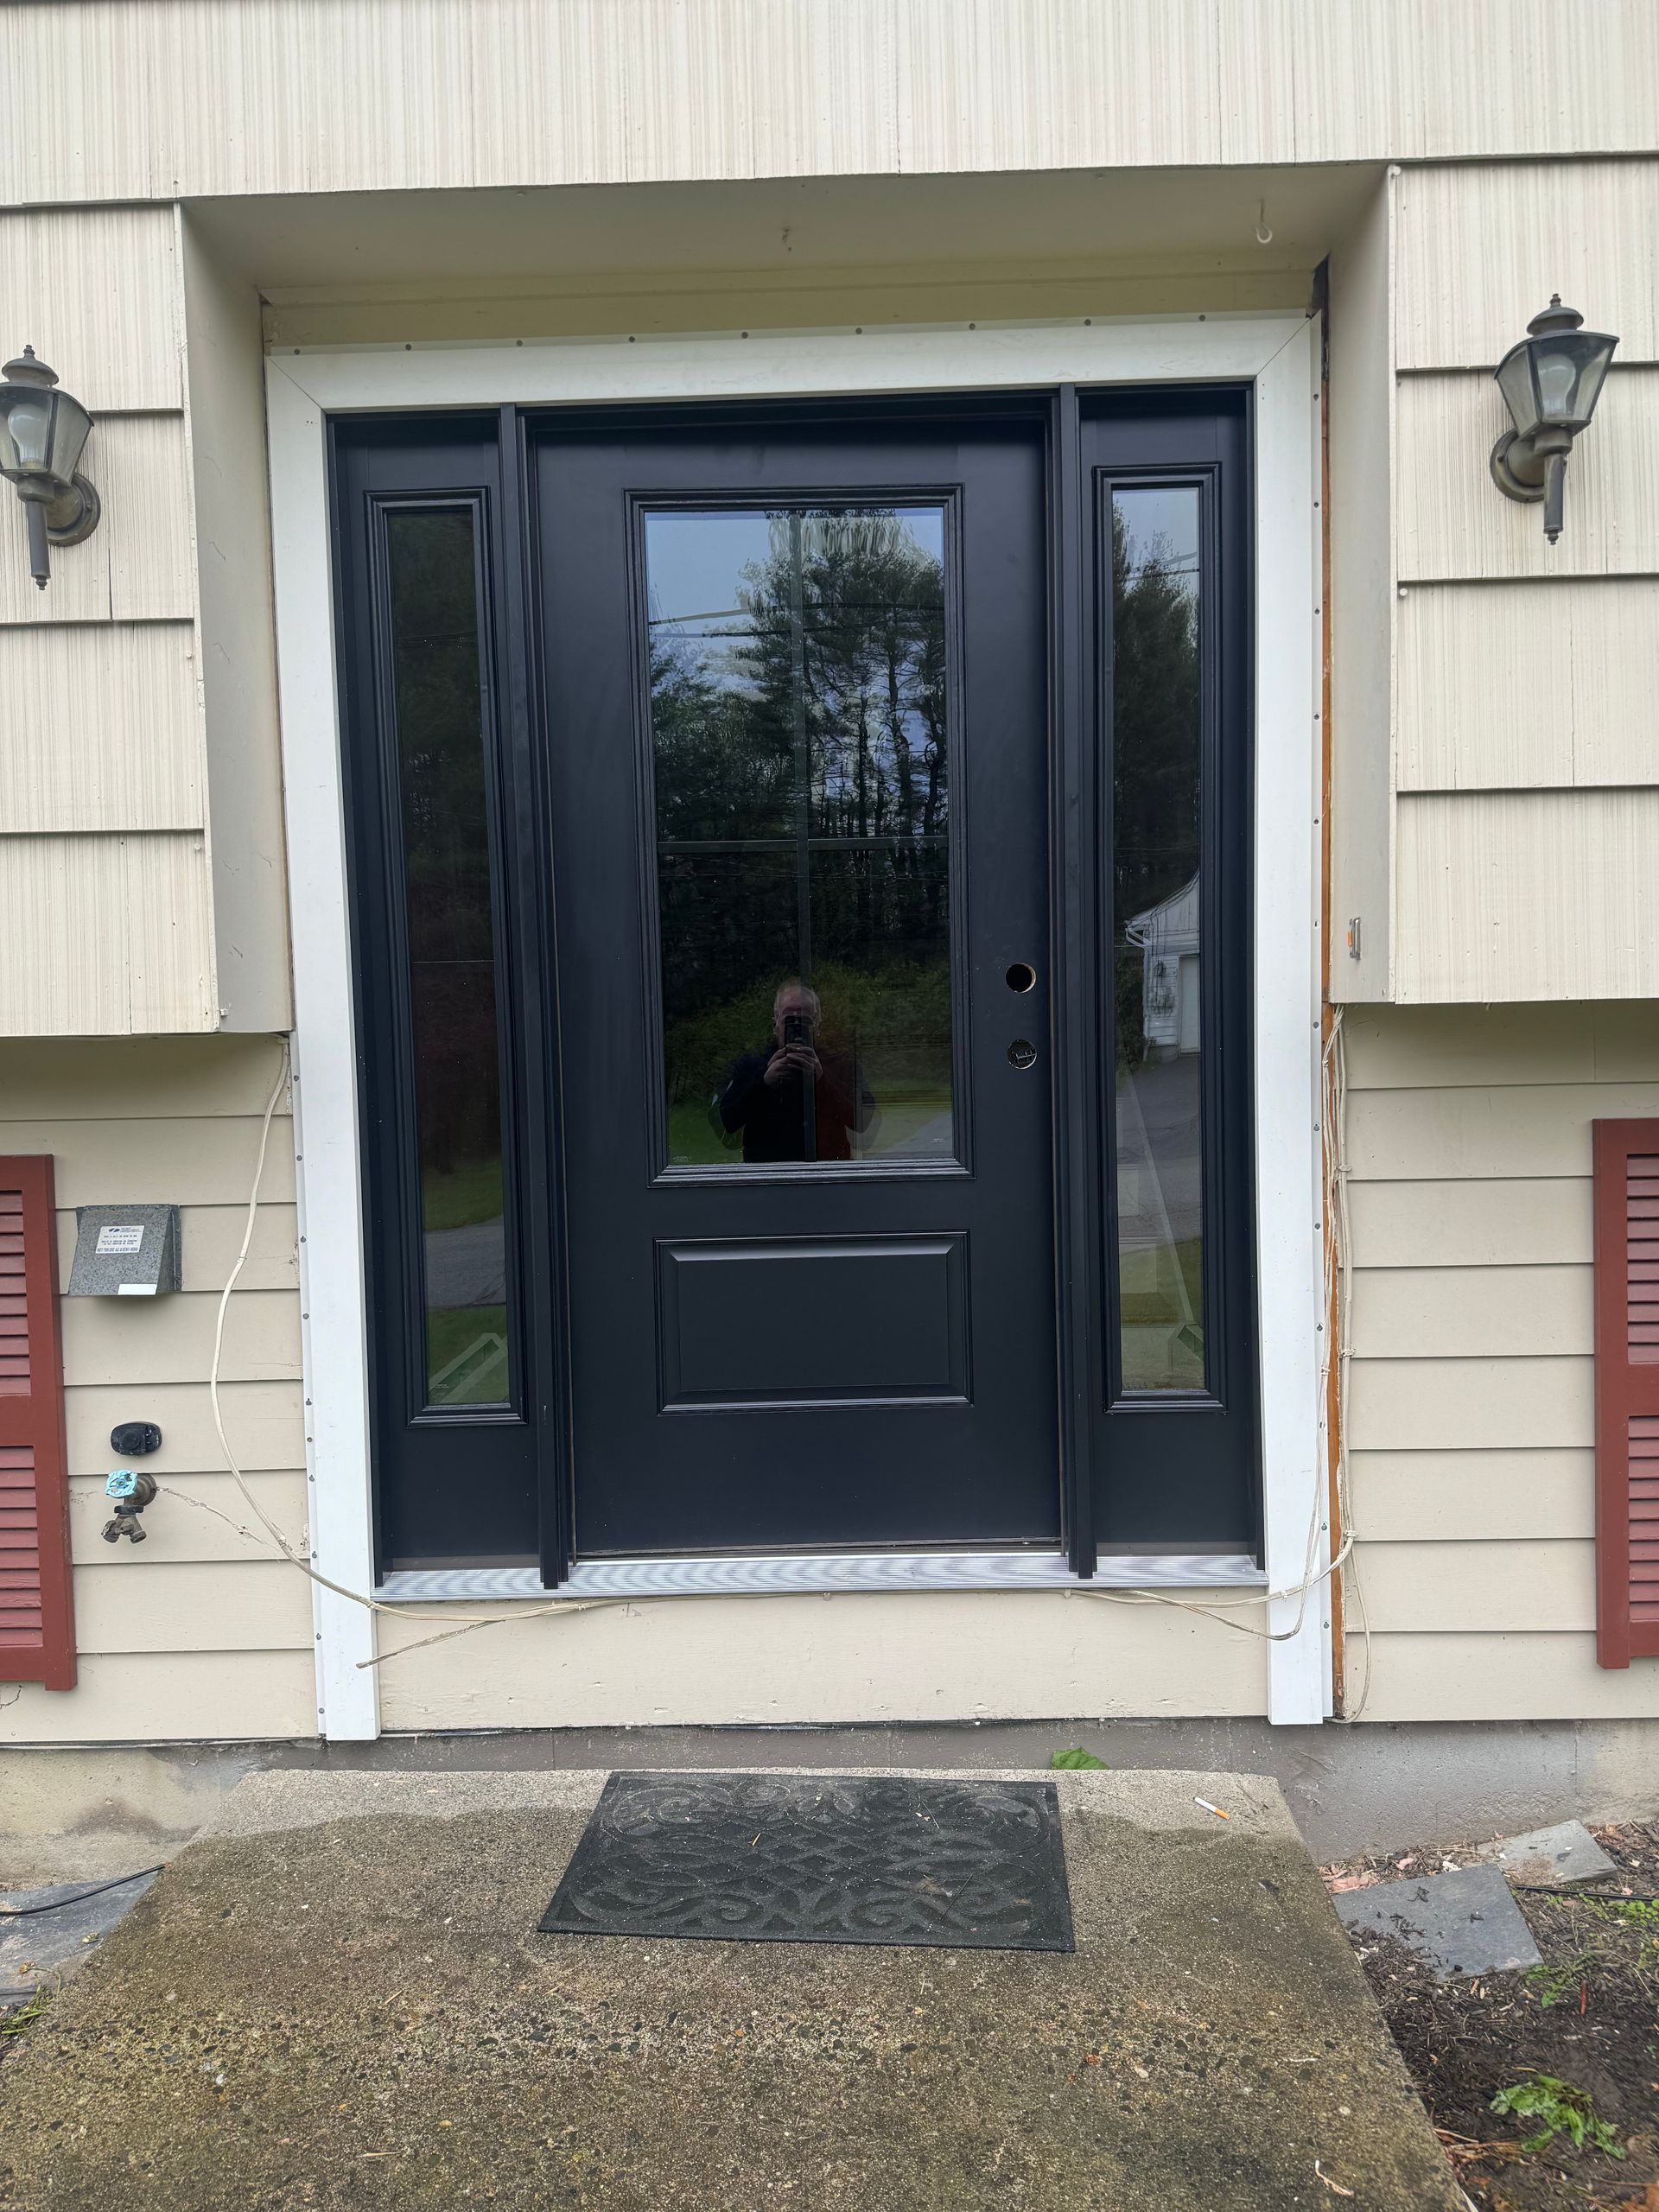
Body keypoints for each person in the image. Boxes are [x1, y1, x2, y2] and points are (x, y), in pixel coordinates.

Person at [718, 980, 874, 1163]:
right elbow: (727, 1121)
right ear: (775, 1024)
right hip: (769, 1177)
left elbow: (863, 1121)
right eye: (789, 1019)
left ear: (817, 1026)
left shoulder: (841, 1066)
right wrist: (764, 1082)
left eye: (805, 1020)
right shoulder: (752, 1066)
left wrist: (822, 1081)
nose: (797, 1027)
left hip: (827, 1176)